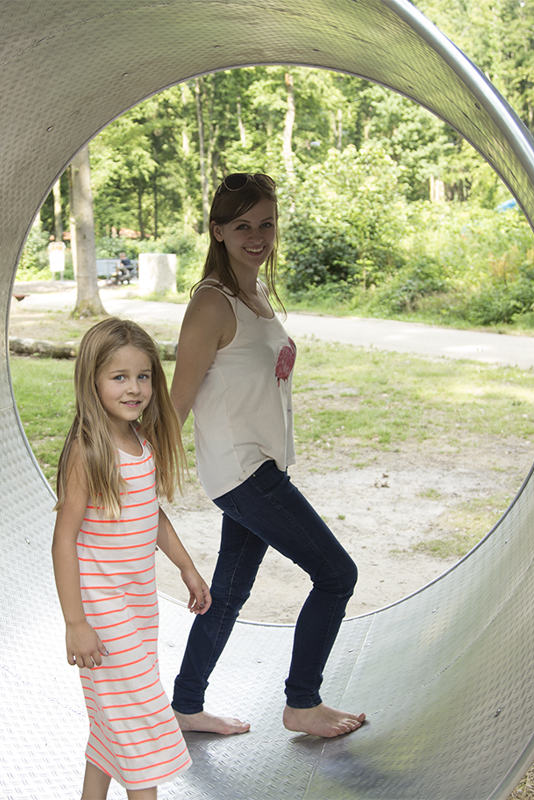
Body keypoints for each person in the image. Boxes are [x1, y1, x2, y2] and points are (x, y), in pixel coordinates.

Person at [169, 172, 365, 739]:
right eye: (242, 225)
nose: (257, 235)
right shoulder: (211, 303)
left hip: (260, 465)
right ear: (218, 231)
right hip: (242, 472)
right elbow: (178, 398)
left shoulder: (253, 294)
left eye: (266, 223)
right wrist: (137, 467)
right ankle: (301, 703)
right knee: (336, 575)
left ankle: (186, 703)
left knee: (226, 593)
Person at [51, 317, 212, 800]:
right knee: (142, 717)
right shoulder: (88, 450)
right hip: (100, 606)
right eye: (119, 377)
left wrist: (185, 566)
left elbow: (151, 514)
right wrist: (75, 622)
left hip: (139, 602)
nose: (134, 388)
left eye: (143, 376)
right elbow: (64, 540)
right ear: (92, 381)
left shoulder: (139, 440)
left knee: (114, 718)